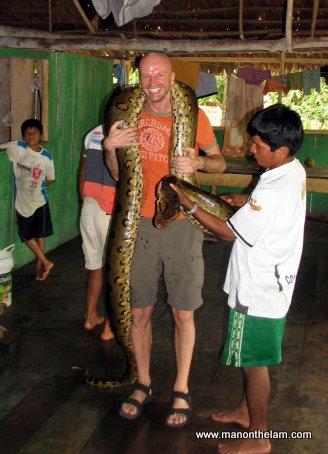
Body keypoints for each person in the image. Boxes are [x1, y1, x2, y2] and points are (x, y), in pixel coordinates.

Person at [172, 104, 306, 453]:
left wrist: (189, 206)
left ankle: (258, 436)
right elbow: (271, 206)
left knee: (253, 365)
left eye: (258, 146)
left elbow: (228, 233)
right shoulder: (293, 171)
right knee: (253, 359)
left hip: (258, 290)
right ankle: (247, 412)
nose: (251, 149)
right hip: (274, 282)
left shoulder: (273, 190)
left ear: (281, 149)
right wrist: (246, 199)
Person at [103, 51, 226, 427]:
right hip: (136, 223)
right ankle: (142, 381)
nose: (152, 80)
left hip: (183, 221)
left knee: (182, 310)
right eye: (146, 74)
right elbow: (118, 175)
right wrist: (110, 148)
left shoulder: (194, 116)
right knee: (138, 310)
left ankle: (182, 388)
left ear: (172, 78)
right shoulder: (127, 116)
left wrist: (200, 164)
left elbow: (219, 161)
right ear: (139, 80)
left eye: (159, 73)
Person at [0, 119, 55, 281]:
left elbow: (51, 179)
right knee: (26, 235)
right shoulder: (18, 148)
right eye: (27, 133)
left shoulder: (46, 157)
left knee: (40, 234)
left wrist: (40, 184)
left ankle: (40, 266)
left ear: (41, 135)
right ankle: (45, 262)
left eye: (35, 132)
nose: (31, 136)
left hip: (40, 201)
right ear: (23, 135)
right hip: (22, 202)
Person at [79, 124, 115, 341]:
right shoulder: (126, 134)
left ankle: (90, 316)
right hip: (111, 211)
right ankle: (110, 327)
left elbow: (82, 172)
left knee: (95, 268)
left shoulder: (92, 132)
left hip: (89, 206)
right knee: (115, 273)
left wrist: (83, 200)